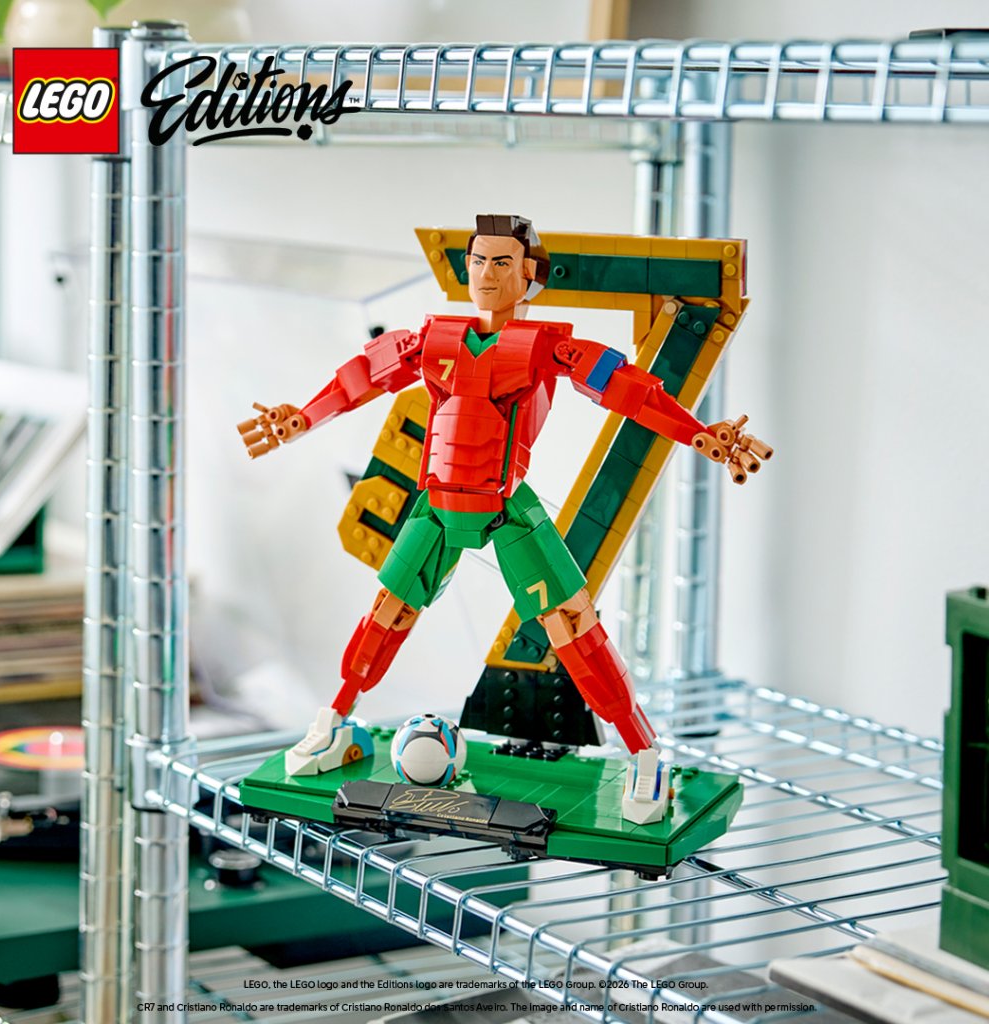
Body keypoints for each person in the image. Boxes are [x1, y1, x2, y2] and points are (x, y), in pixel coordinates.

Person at [238, 214, 771, 824]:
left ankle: (644, 756)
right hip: (438, 505)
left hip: (507, 507)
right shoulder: (433, 338)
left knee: (572, 624)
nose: (486, 274)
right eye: (477, 261)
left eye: (501, 263)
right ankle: (332, 723)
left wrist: (700, 434)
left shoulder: (545, 347)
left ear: (529, 275)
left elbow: (630, 390)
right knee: (387, 613)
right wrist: (303, 418)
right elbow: (362, 377)